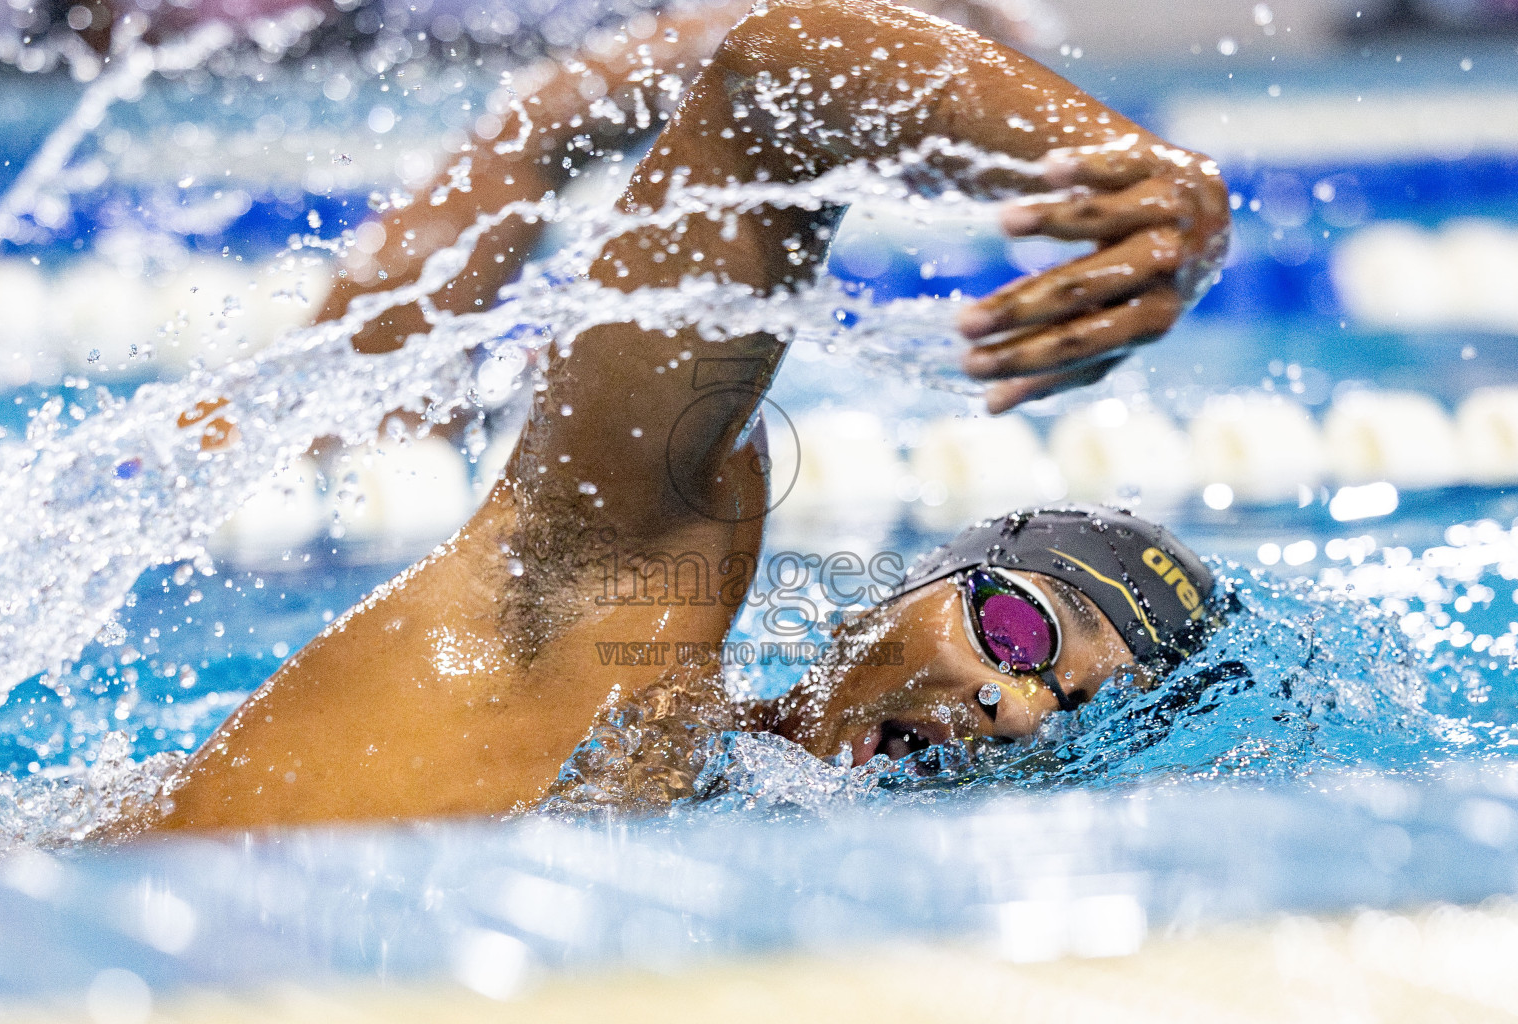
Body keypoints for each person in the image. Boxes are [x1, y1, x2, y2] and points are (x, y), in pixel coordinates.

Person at [151, 0, 1231, 831]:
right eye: (1022, 628)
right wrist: (1144, 185)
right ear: (894, 594)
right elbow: (772, 88)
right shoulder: (593, 650)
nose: (1021, 708)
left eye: (1087, 713)